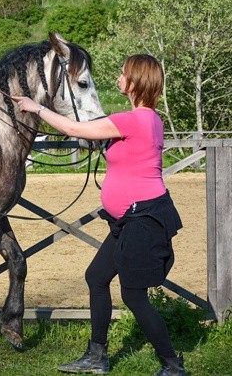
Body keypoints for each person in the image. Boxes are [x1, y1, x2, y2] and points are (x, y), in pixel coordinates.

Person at [12, 54, 188, 376]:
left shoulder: (134, 119)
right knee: (96, 277)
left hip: (143, 220)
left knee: (134, 297)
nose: (119, 77)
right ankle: (97, 357)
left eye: (123, 73)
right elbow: (120, 151)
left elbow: (71, 127)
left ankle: (172, 365)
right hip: (130, 220)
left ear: (136, 81)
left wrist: (35, 107)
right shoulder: (148, 120)